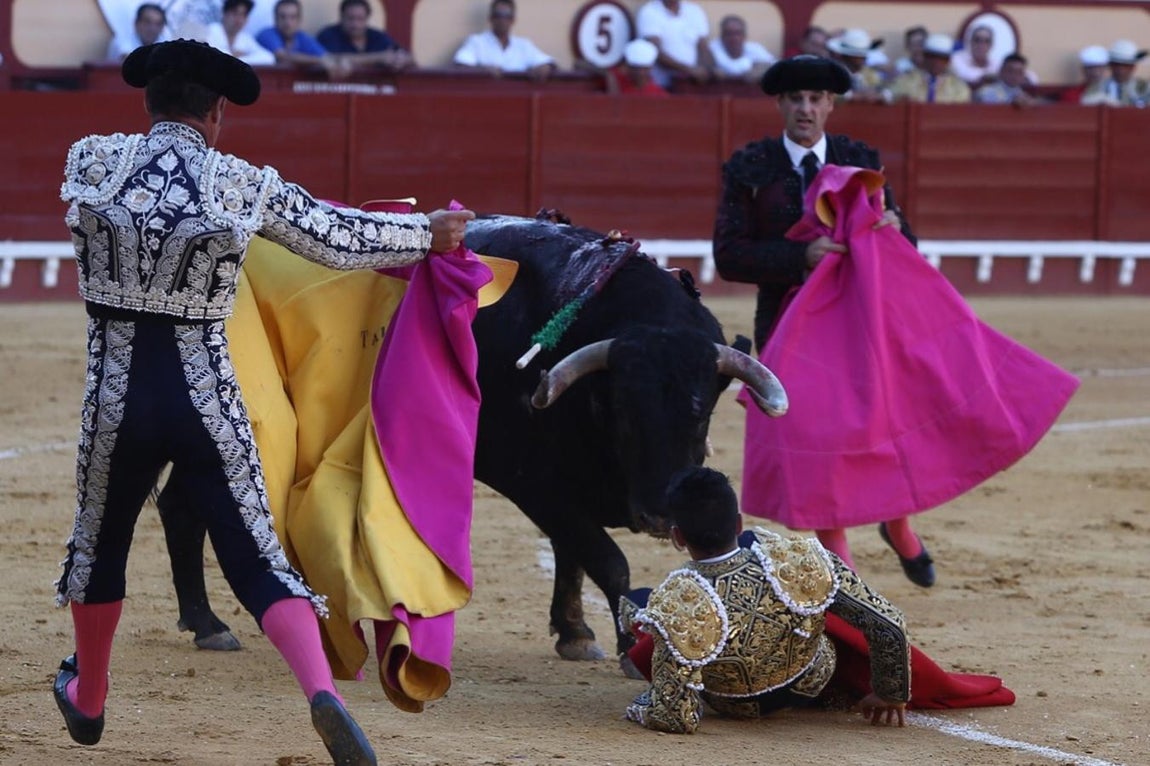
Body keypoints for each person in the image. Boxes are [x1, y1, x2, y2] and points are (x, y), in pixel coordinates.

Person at [52, 39, 474, 763]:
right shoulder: (238, 182)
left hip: (116, 399)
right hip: (206, 401)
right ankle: (322, 695)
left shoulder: (89, 160)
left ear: (147, 104)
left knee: (99, 547)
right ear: (217, 114)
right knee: (255, 558)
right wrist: (424, 234)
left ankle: (87, 699)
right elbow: (334, 237)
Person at [711, 55, 931, 585]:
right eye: (796, 100)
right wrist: (798, 259)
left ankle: (898, 525)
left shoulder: (860, 160)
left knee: (879, 426)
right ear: (781, 105)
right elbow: (729, 255)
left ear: (830, 105)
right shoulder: (751, 168)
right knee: (814, 442)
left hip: (858, 321)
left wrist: (895, 231)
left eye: (815, 99)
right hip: (789, 326)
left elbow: (907, 245)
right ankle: (841, 557)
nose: (805, 109)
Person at [621, 467, 911, 733]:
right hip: (813, 678)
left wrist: (640, 708)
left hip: (733, 703)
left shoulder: (675, 602)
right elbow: (888, 623)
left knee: (636, 603)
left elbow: (675, 717)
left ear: (678, 537)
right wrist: (891, 692)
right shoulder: (796, 559)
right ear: (738, 524)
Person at [452, 0, 556, 82]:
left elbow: (550, 63)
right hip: (485, 100)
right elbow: (460, 65)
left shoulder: (523, 45)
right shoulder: (476, 42)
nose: (502, 20)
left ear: (513, 20)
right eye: (498, 15)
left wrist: (545, 67)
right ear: (491, 18)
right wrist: (483, 70)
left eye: (507, 15)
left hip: (517, 100)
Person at [317, 0, 414, 73]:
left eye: (360, 19)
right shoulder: (329, 34)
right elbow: (331, 58)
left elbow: (409, 56)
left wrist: (401, 59)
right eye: (350, 18)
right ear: (341, 17)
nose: (355, 24)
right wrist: (379, 57)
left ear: (367, 19)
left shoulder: (376, 36)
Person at [635, 0, 714, 89]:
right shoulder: (649, 11)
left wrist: (705, 71)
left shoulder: (694, 11)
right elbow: (655, 51)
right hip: (663, 85)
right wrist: (690, 70)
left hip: (692, 84)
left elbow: (703, 46)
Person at [256, 0, 341, 75]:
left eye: (293, 17)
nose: (287, 22)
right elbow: (283, 57)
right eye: (282, 17)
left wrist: (342, 61)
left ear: (300, 20)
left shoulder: (302, 37)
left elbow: (327, 57)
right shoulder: (266, 34)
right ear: (275, 19)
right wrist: (320, 61)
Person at [889, 32, 971, 103]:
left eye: (942, 58)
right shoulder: (906, 80)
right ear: (924, 57)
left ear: (948, 61)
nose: (936, 62)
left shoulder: (958, 87)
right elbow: (889, 95)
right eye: (932, 57)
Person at [203, 0, 276, 65]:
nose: (239, 19)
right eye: (235, 13)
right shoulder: (211, 30)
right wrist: (237, 56)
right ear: (224, 14)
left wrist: (239, 58)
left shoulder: (245, 37)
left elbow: (269, 58)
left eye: (243, 15)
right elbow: (211, 56)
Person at [826, 27, 888, 102]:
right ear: (845, 56)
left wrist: (878, 95)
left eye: (863, 56)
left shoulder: (868, 73)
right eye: (856, 55)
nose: (862, 59)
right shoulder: (832, 72)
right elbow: (825, 93)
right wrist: (851, 96)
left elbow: (880, 88)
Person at [708, 14, 776, 83]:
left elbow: (775, 67)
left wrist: (760, 70)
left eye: (737, 33)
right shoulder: (711, 49)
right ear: (722, 36)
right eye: (729, 33)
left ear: (744, 36)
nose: (734, 38)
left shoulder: (754, 49)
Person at [1081, 39, 1149, 107]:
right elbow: (1086, 104)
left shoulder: (1144, 86)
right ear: (1110, 65)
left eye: (1126, 65)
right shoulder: (1097, 87)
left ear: (1133, 67)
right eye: (1117, 65)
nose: (1121, 69)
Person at [605, 38, 669, 96]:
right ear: (627, 67)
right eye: (636, 68)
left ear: (651, 68)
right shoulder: (615, 80)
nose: (640, 72)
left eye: (644, 68)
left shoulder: (659, 94)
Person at [974, 52, 1041, 106]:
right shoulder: (987, 92)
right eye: (1010, 71)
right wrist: (1011, 102)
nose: (1015, 76)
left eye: (1019, 72)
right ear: (1001, 72)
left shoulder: (1023, 95)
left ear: (1023, 76)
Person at [949, 23, 1000, 89]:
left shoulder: (997, 66)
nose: (981, 45)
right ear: (970, 42)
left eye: (986, 41)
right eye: (977, 40)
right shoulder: (955, 60)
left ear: (991, 45)